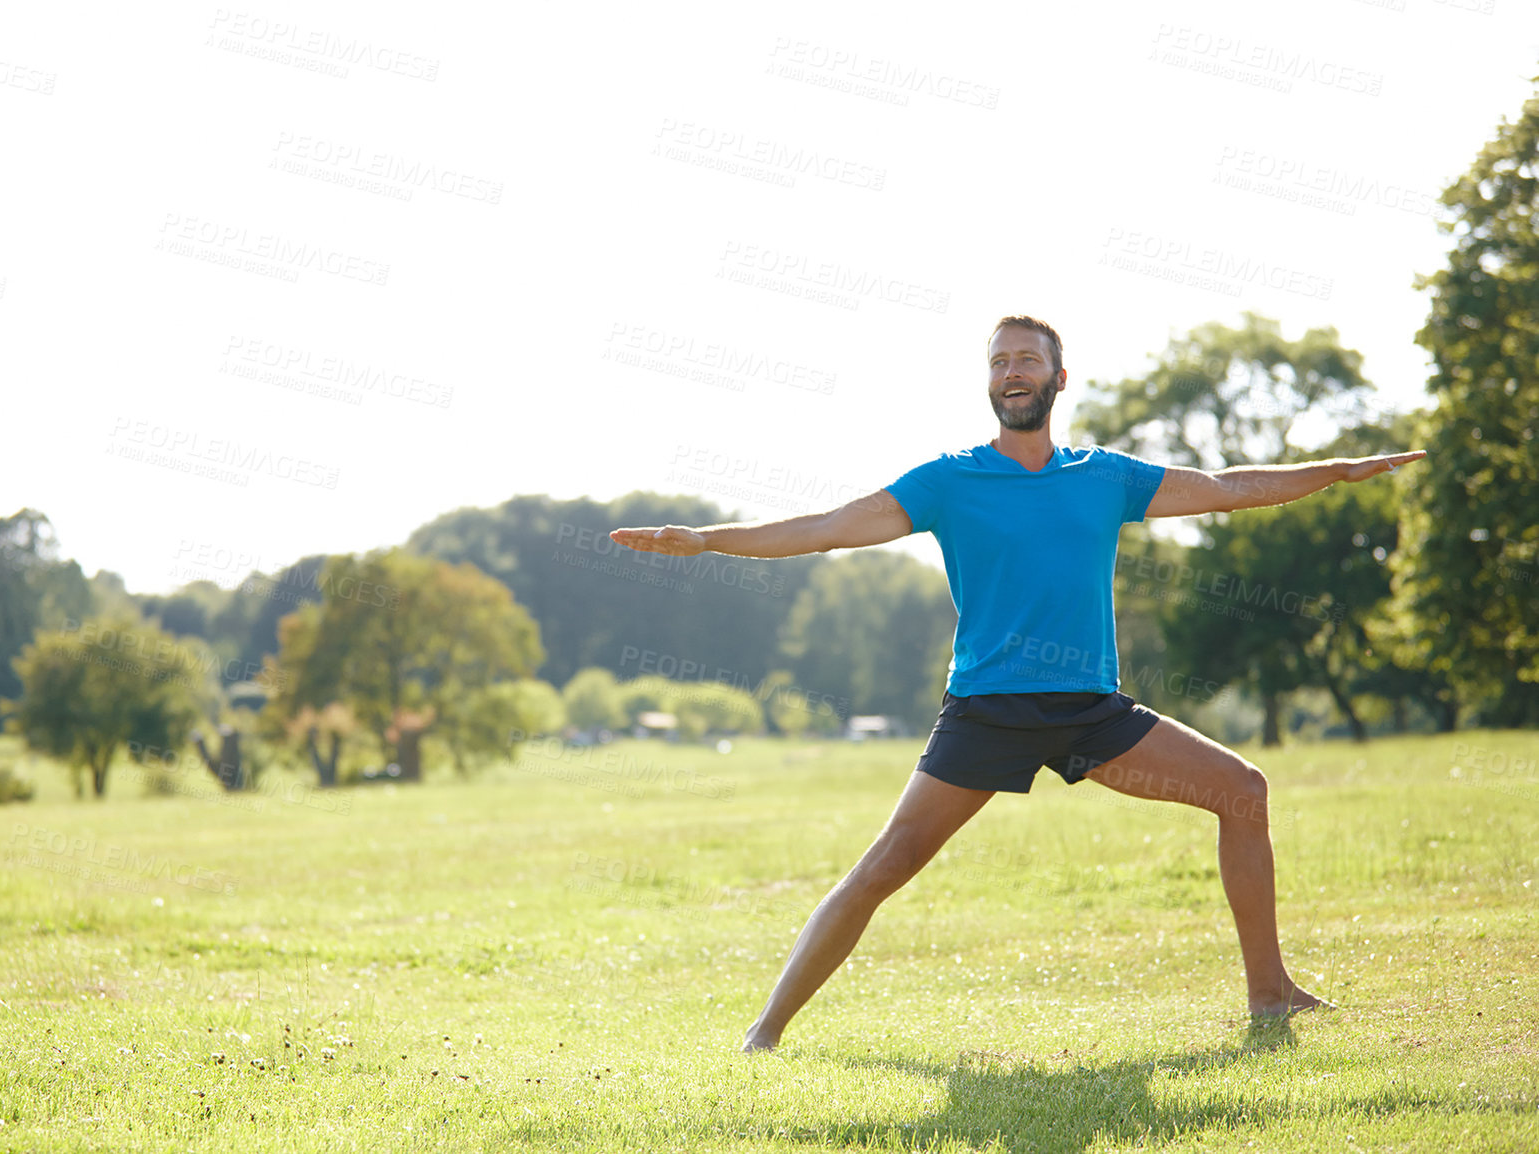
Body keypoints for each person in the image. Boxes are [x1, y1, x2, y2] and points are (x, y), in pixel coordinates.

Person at [609, 315, 1425, 1053]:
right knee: (884, 866)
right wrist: (708, 539)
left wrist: (1340, 470)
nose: (1012, 371)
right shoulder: (949, 480)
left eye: (1027, 359)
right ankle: (765, 1033)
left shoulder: (1104, 476)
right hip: (987, 715)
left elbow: (1226, 488)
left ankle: (1270, 997)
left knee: (1242, 790)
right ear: (990, 382)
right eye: (999, 361)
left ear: (1057, 380)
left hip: (1092, 716)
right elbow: (826, 529)